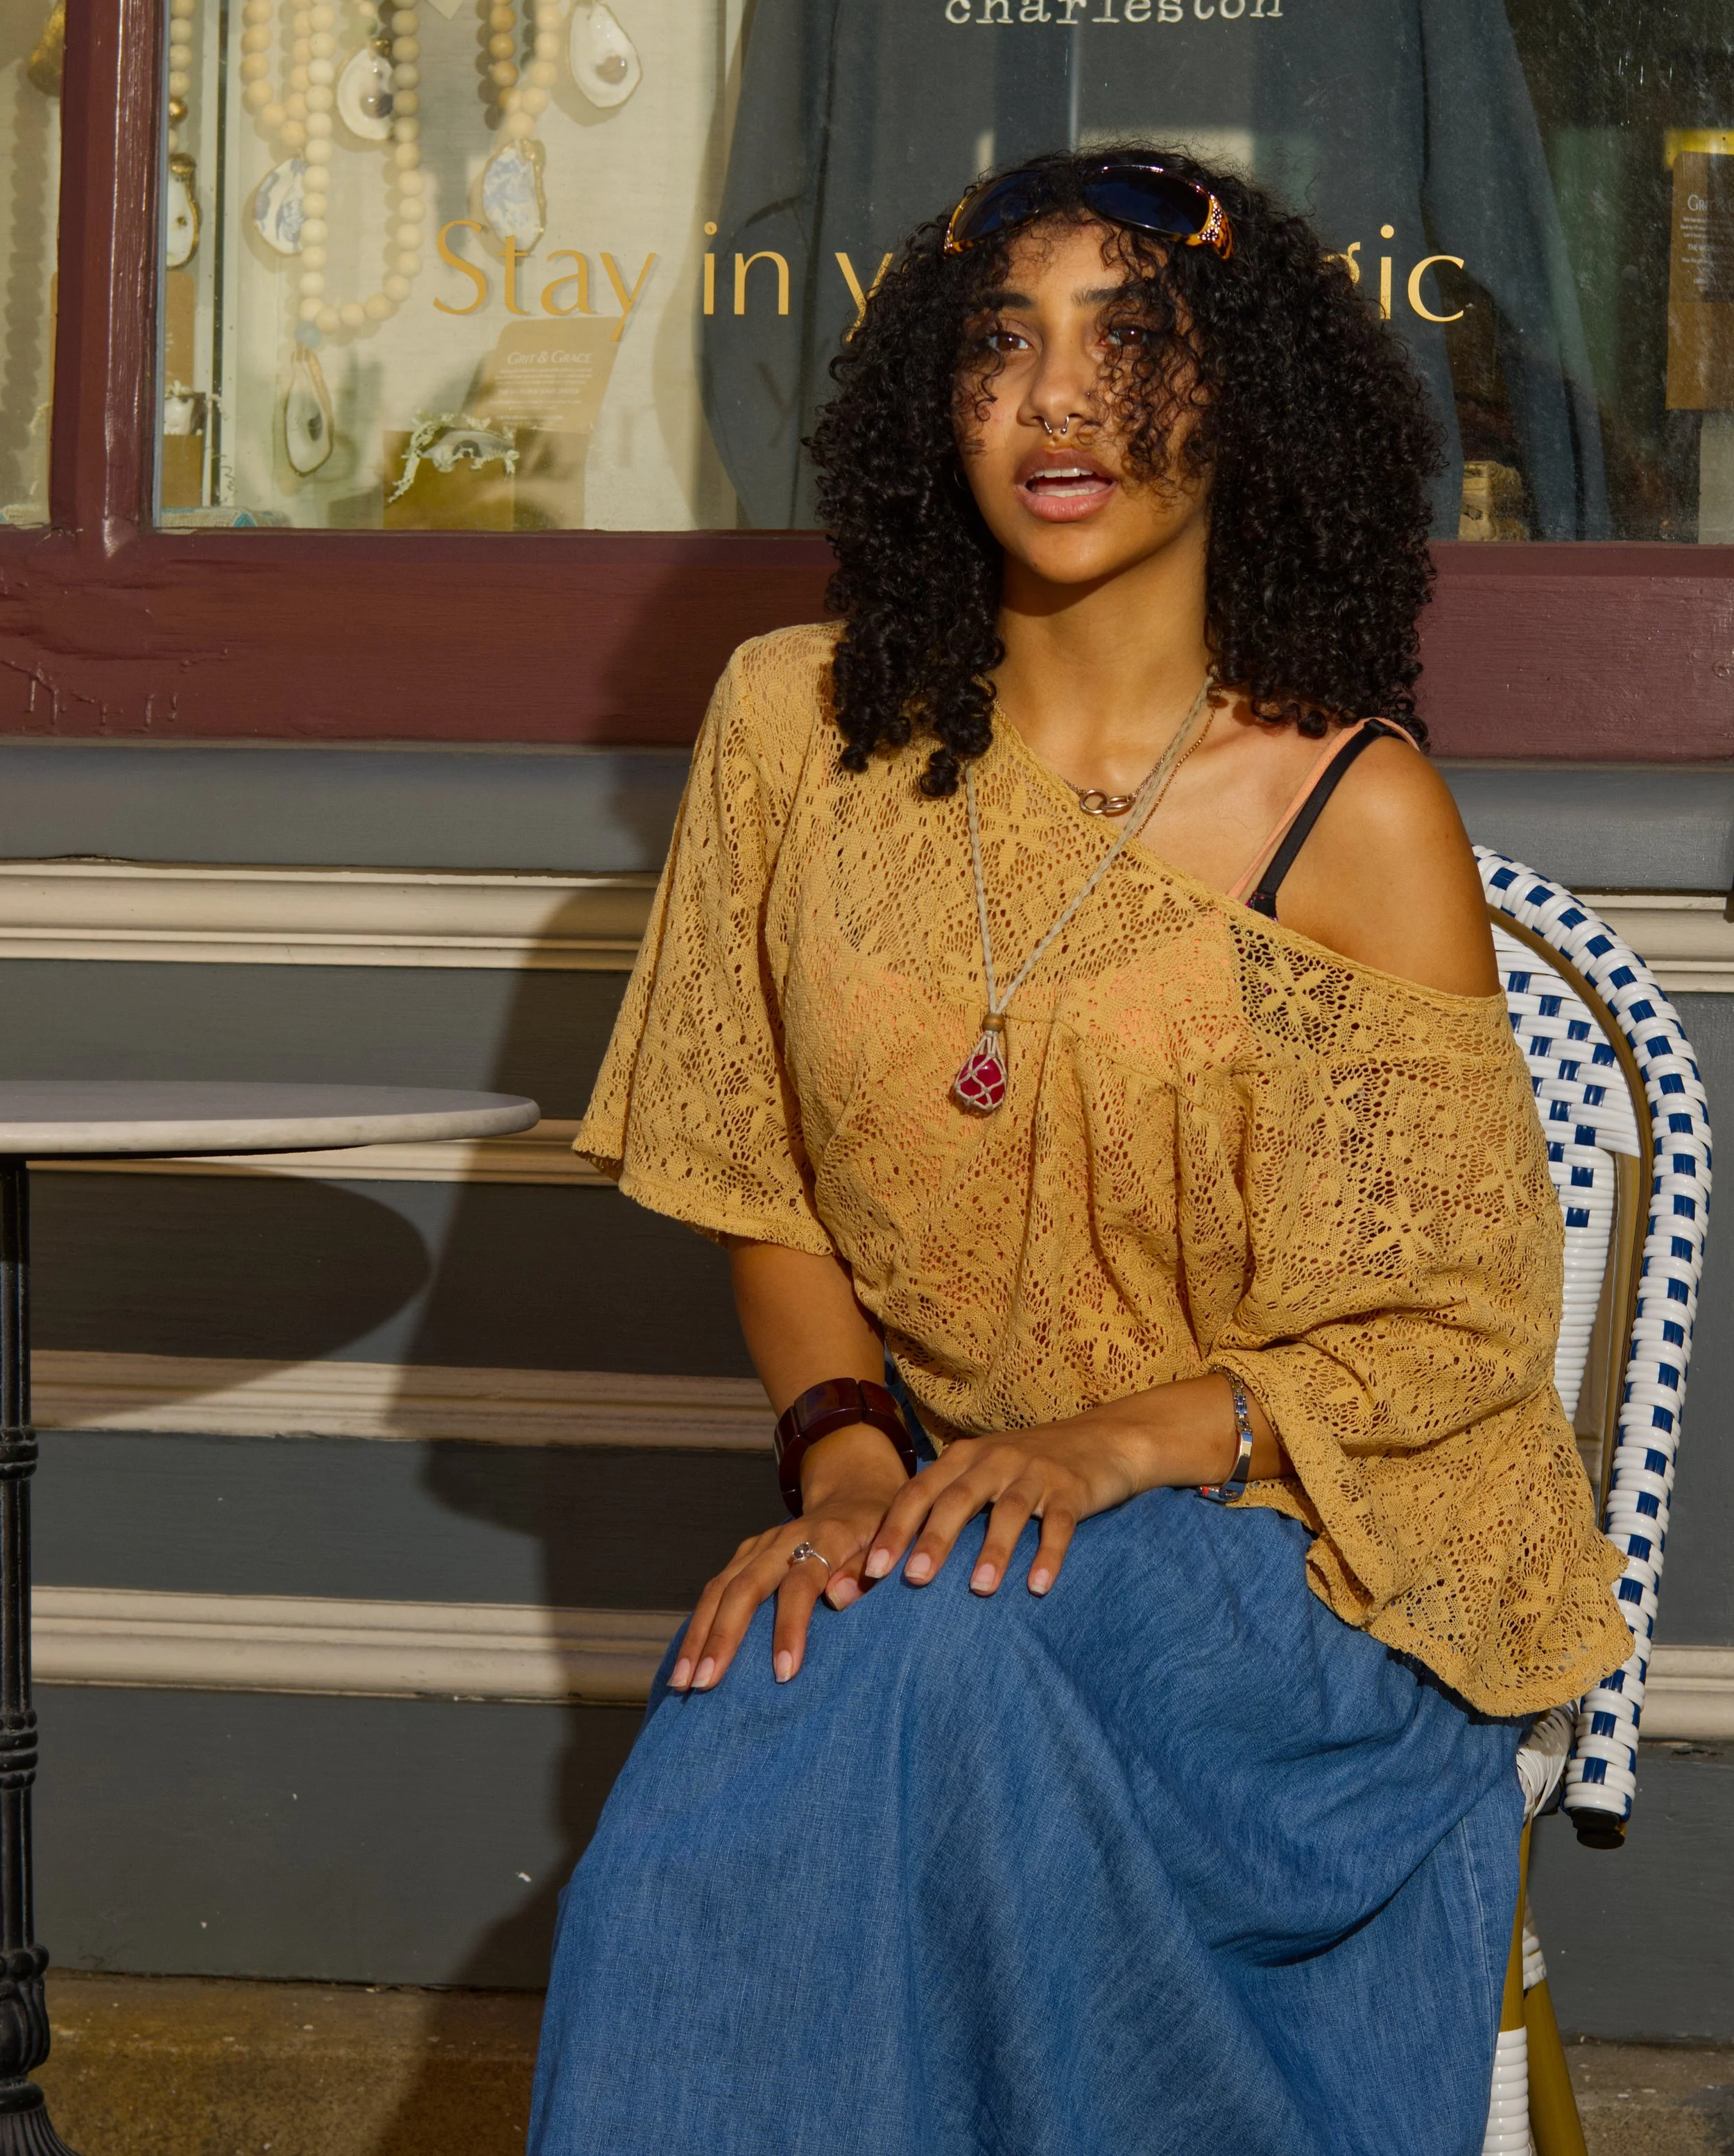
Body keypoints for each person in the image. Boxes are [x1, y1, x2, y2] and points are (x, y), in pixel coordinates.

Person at [530, 148, 1630, 2156]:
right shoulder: (794, 727)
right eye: (999, 345)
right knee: (787, 1650)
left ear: (1245, 404)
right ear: (923, 406)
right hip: (974, 1536)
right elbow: (756, 1171)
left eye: (1132, 345)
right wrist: (849, 1461)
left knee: (901, 1659)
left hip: (1313, 1568)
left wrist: (1109, 1447)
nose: (1057, 404)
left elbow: (1450, 1345)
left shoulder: (1355, 813)